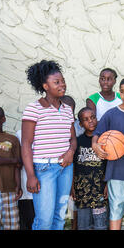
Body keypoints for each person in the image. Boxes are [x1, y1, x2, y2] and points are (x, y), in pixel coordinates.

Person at [21, 60, 77, 230]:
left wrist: (70, 152)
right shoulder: (33, 109)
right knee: (44, 220)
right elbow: (26, 143)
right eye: (57, 82)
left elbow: (72, 139)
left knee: (59, 217)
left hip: (65, 168)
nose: (62, 85)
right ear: (45, 86)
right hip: (44, 170)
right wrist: (31, 175)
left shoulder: (67, 109)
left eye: (63, 81)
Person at [92, 77, 124, 230]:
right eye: (122, 92)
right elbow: (97, 134)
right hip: (116, 170)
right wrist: (95, 145)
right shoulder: (111, 114)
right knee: (116, 208)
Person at [72, 107, 108, 230]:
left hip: (100, 189)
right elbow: (73, 166)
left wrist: (108, 184)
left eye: (93, 117)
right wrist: (72, 186)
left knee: (101, 225)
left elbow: (109, 165)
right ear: (81, 124)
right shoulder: (78, 141)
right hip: (82, 191)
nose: (91, 121)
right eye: (86, 119)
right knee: (83, 225)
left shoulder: (104, 140)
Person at [0, 106, 22, 230]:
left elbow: (18, 166)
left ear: (3, 120)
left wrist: (18, 186)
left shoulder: (13, 139)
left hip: (9, 189)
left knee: (12, 224)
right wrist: (13, 160)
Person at [60, 94, 83, 230]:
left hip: (78, 166)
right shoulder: (56, 124)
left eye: (70, 109)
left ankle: (75, 226)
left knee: (75, 199)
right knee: (63, 198)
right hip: (61, 165)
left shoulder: (78, 126)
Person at [15, 130, 34, 230]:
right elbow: (18, 161)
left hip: (44, 188)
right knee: (27, 221)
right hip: (26, 188)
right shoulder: (20, 133)